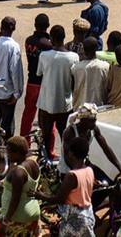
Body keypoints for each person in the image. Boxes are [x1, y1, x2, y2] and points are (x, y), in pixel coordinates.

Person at [36, 24, 78, 159]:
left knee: (45, 136)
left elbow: (39, 73)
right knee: (66, 137)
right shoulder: (73, 57)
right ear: (64, 37)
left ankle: (46, 161)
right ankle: (66, 163)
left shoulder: (44, 55)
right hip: (64, 104)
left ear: (51, 39)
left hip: (46, 103)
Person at [44, 136, 96, 237]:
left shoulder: (72, 176)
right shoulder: (90, 170)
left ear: (71, 154)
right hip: (88, 216)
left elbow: (59, 199)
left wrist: (39, 195)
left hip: (74, 220)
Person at [0, 135, 42, 237]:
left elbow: (15, 199)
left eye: (9, 152)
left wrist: (5, 221)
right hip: (33, 213)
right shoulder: (33, 164)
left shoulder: (18, 173)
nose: (7, 155)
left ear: (17, 153)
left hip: (18, 218)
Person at [0, 16, 24, 138]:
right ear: (14, 29)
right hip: (7, 91)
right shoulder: (14, 47)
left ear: (1, 28)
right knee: (6, 125)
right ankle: (5, 152)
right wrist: (17, 93)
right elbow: (15, 71)